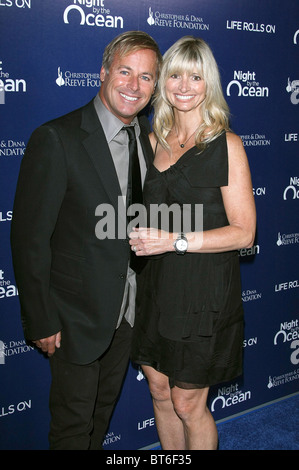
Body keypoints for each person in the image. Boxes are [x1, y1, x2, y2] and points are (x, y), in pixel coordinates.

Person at [10, 31, 162, 450]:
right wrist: (41, 319)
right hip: (74, 318)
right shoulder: (57, 138)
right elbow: (29, 239)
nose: (134, 86)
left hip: (129, 313)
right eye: (125, 71)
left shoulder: (149, 142)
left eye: (147, 77)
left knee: (100, 416)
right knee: (73, 428)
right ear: (103, 72)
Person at [129, 36, 256, 450]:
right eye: (176, 75)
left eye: (196, 77)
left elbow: (244, 233)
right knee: (160, 393)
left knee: (187, 403)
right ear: (163, 82)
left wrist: (174, 240)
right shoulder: (150, 143)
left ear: (209, 84)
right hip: (153, 287)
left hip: (202, 291)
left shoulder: (227, 145)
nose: (184, 86)